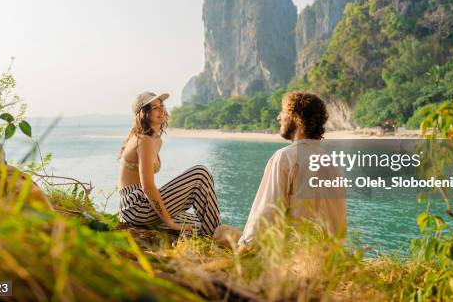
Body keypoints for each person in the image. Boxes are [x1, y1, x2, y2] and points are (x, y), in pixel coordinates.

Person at [235, 92, 347, 249]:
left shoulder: (285, 157)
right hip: (329, 260)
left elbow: (265, 215)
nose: (279, 117)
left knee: (222, 233)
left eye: (283, 112)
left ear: (297, 118)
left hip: (291, 259)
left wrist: (242, 253)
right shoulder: (334, 164)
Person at [118, 91, 221, 236]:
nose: (162, 110)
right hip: (135, 206)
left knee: (199, 224)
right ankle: (215, 234)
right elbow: (148, 187)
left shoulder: (155, 140)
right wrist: (169, 222)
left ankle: (212, 234)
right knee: (200, 174)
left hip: (141, 206)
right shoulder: (144, 140)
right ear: (144, 113)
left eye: (162, 105)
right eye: (155, 108)